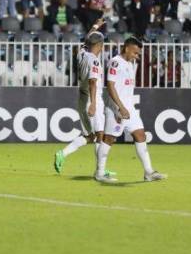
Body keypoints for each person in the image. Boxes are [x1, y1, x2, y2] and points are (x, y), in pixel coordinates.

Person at [98, 36, 166, 183]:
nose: (137, 56)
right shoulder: (115, 62)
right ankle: (100, 172)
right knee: (109, 139)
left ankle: (148, 172)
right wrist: (119, 108)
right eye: (135, 53)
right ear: (127, 48)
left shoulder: (130, 64)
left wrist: (127, 107)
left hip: (130, 109)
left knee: (140, 135)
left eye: (138, 54)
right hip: (116, 109)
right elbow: (110, 86)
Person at [54, 21, 113, 176]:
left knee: (90, 136)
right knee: (100, 135)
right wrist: (93, 104)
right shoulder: (94, 60)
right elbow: (93, 82)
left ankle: (62, 154)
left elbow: (88, 39)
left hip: (81, 97)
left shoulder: (82, 53)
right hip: (91, 99)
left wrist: (94, 27)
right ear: (100, 45)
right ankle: (100, 170)